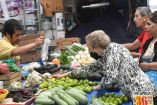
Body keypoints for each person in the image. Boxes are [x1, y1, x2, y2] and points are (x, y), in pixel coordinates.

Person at [53, 30, 157, 103]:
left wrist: (99, 86)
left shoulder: (113, 51)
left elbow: (111, 77)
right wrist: (66, 74)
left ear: (97, 47)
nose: (90, 52)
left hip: (141, 92)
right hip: (136, 91)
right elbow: (90, 68)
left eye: (90, 49)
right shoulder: (107, 52)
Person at [139, 11, 157, 90]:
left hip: (154, 85)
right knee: (140, 102)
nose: (145, 26)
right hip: (145, 84)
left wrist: (148, 66)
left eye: (149, 24)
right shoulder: (148, 42)